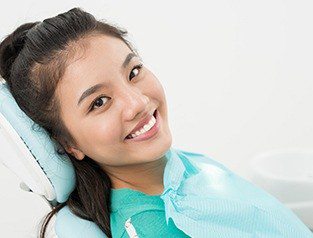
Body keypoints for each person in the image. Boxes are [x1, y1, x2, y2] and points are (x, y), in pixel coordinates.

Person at [1, 7, 312, 238]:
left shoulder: (174, 170)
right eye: (99, 102)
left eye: (133, 72)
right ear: (68, 143)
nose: (137, 103)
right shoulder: (148, 228)